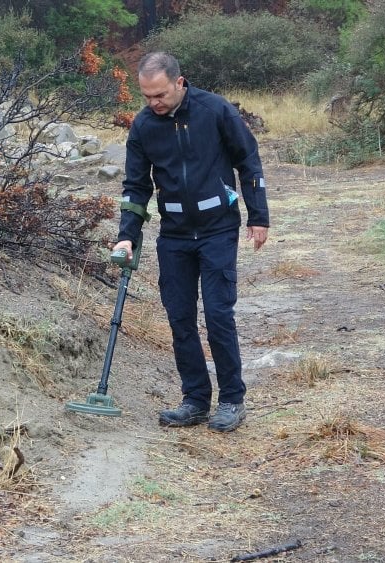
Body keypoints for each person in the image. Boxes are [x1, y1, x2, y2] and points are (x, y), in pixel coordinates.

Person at [112, 52, 269, 432]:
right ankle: (196, 399)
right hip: (175, 233)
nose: (154, 104)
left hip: (218, 227)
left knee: (217, 315)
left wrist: (258, 215)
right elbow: (136, 187)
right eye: (147, 97)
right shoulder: (144, 126)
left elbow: (248, 159)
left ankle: (232, 399)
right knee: (180, 318)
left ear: (179, 83)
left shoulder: (215, 110)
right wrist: (126, 237)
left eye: (161, 95)